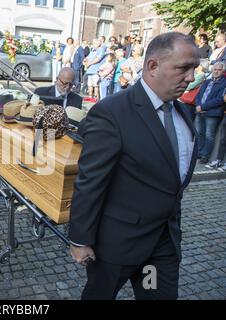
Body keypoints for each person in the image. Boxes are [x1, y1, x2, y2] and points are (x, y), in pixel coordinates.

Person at [68, 32, 199, 300]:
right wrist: (80, 240)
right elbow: (91, 181)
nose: (190, 77)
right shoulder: (113, 112)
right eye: (183, 68)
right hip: (118, 246)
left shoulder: (183, 112)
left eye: (194, 69)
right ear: (152, 66)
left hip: (161, 246)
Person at [194, 62, 226, 163]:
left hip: (213, 113)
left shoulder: (224, 83)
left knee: (209, 135)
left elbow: (220, 99)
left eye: (219, 70)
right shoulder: (206, 81)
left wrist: (203, 106)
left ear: (223, 71)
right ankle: (198, 153)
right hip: (200, 110)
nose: (216, 71)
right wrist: (198, 105)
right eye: (215, 69)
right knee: (199, 133)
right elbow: (198, 94)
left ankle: (205, 156)